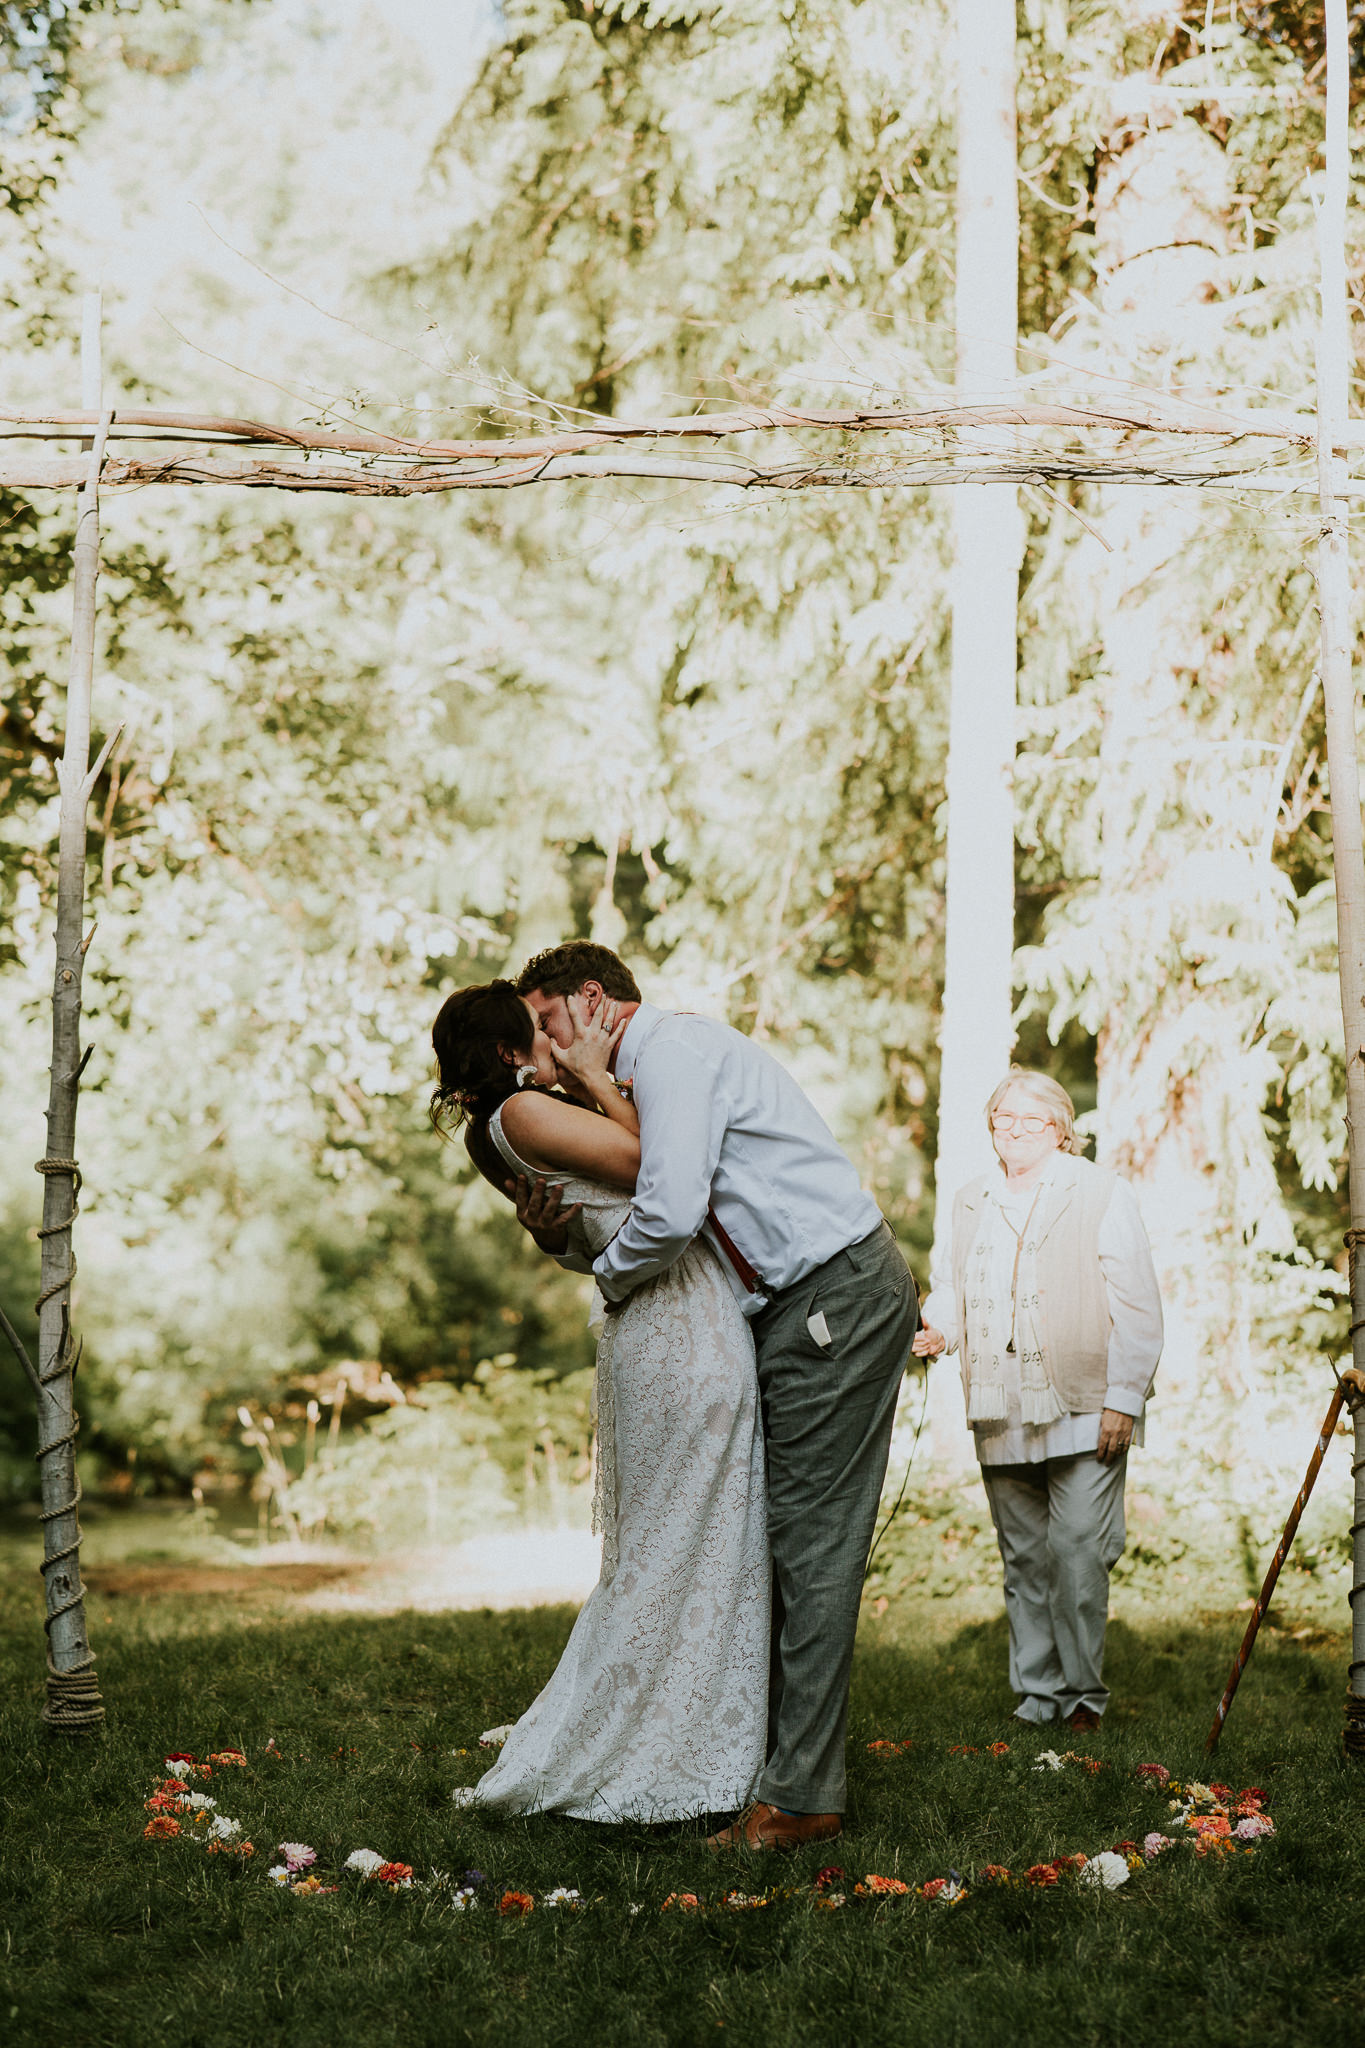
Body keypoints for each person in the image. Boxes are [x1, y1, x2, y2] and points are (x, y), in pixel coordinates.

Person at [509, 941, 919, 1850]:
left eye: (544, 1022)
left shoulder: (673, 1053)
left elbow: (669, 1209)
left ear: (593, 1000)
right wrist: (561, 1235)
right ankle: (759, 1765)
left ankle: (802, 1800)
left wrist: (607, 1281)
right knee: (768, 1540)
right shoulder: (632, 1081)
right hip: (787, 1311)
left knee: (810, 1545)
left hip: (832, 1297)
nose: (537, 1049)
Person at [431, 978, 768, 1822]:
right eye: (541, 1030)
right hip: (676, 1319)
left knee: (677, 1539)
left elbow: (580, 1228)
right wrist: (592, 1077)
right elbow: (660, 1163)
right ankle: (655, 1740)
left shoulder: (492, 1129)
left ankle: (686, 1727)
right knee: (682, 1539)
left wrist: (554, 1233)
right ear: (510, 1050)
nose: (558, 1041)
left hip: (655, 1321)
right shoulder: (526, 1113)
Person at [914, 1068, 1163, 1732]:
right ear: (991, 1125)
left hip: (1083, 1403)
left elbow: (1138, 1304)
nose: (1017, 1131)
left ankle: (1082, 1697)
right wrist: (939, 1329)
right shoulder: (971, 1199)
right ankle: (1038, 1695)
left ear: (1060, 1128)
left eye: (1033, 1120)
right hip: (1000, 1405)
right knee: (1023, 1558)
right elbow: (951, 1284)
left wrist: (1123, 1398)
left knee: (1078, 1554)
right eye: (1005, 1118)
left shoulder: (1100, 1192)